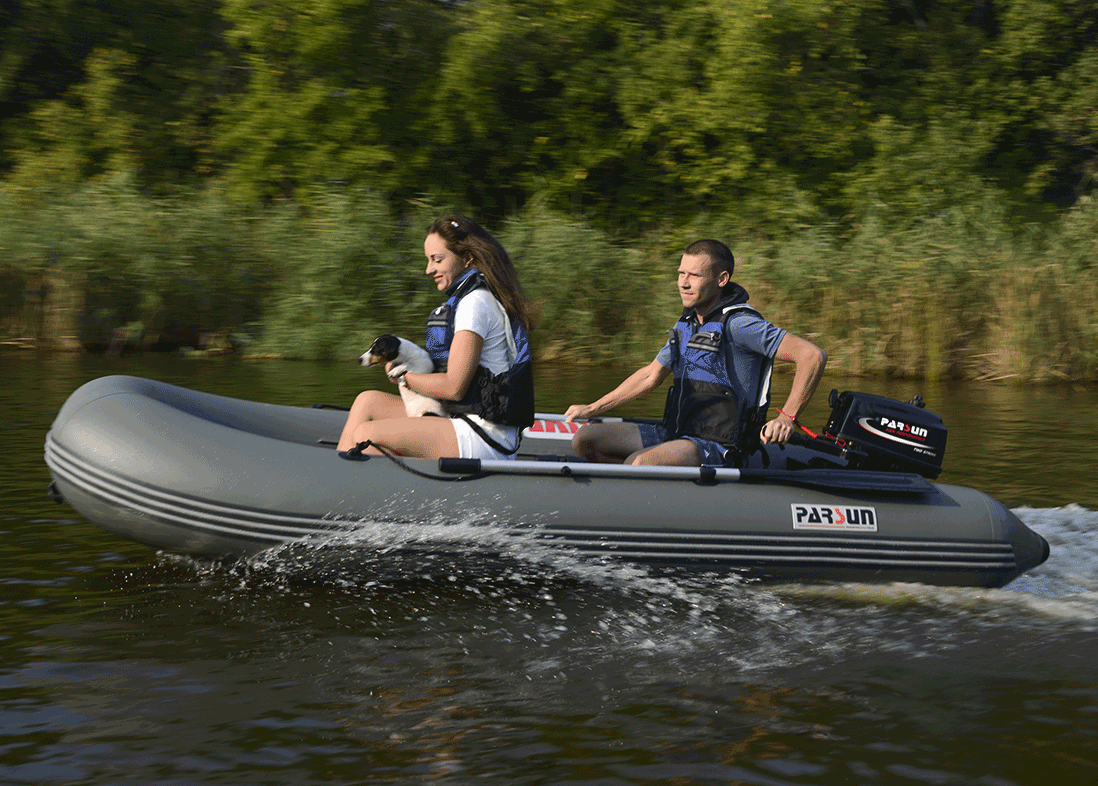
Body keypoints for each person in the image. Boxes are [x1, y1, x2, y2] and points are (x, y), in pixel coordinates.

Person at [564, 239, 826, 467]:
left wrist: (787, 417)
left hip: (722, 444)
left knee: (640, 462)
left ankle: (634, 485)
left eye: (695, 276)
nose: (684, 283)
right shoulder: (687, 324)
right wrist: (592, 407)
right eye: (681, 274)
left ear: (721, 279)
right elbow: (650, 376)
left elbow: (812, 355)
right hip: (678, 431)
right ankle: (646, 487)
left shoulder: (740, 324)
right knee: (585, 440)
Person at [336, 215, 535, 460]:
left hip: (484, 436)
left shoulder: (475, 303)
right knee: (367, 401)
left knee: (366, 433)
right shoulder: (469, 301)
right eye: (428, 260)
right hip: (459, 419)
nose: (428, 269)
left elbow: (454, 387)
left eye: (437, 260)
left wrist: (403, 378)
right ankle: (337, 475)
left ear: (468, 259)